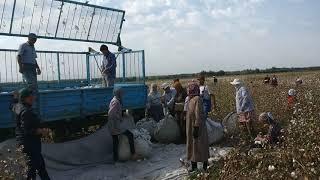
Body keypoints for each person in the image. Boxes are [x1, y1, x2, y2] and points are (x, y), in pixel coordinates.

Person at [12, 88, 50, 180]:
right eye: (30, 97)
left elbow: (12, 105)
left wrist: (15, 98)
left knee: (38, 167)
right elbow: (27, 130)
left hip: (24, 143)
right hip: (30, 145)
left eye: (32, 96)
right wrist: (41, 131)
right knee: (33, 170)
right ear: (24, 99)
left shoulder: (17, 107)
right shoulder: (26, 112)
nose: (33, 98)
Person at [107, 88, 138, 161]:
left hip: (112, 125)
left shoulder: (114, 100)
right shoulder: (116, 102)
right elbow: (111, 113)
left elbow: (115, 112)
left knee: (115, 141)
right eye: (121, 94)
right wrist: (119, 117)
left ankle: (115, 159)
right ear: (119, 94)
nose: (122, 95)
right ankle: (133, 154)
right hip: (116, 125)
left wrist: (123, 114)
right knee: (130, 135)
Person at [185, 82, 209, 172]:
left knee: (201, 144)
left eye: (189, 88)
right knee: (192, 145)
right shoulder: (191, 99)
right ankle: (194, 166)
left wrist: (196, 127)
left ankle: (205, 166)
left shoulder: (197, 99)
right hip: (191, 126)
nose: (188, 90)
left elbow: (198, 114)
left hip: (197, 127)